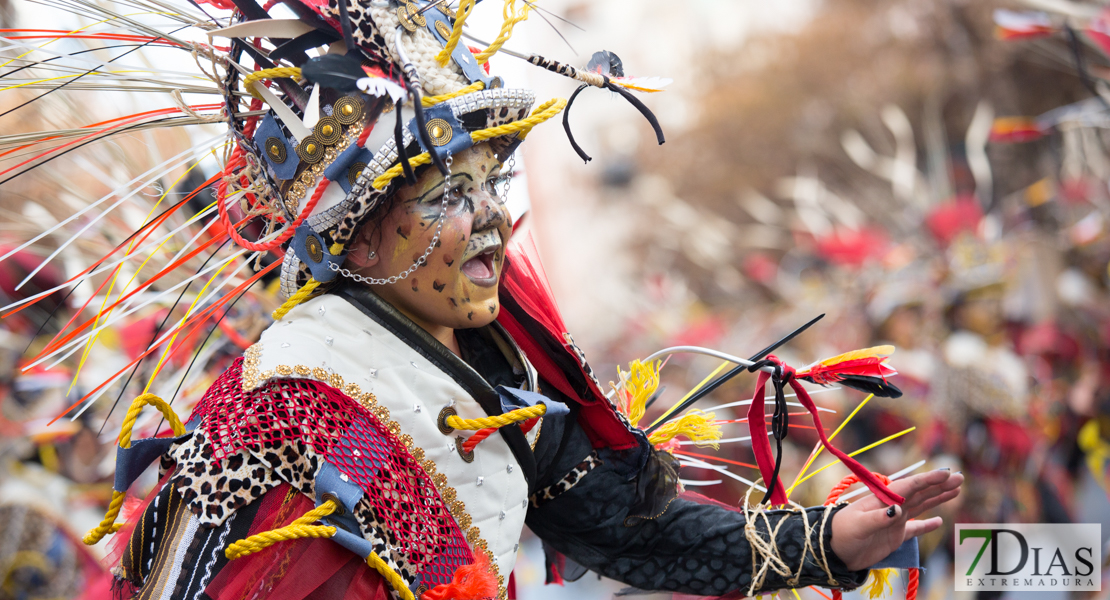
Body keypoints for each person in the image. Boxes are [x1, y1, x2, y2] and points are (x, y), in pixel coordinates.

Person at [36, 1, 963, 598]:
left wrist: (831, 539)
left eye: (490, 187)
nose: (488, 222)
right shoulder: (288, 410)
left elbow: (628, 530)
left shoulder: (491, 370)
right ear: (357, 239)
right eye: (447, 195)